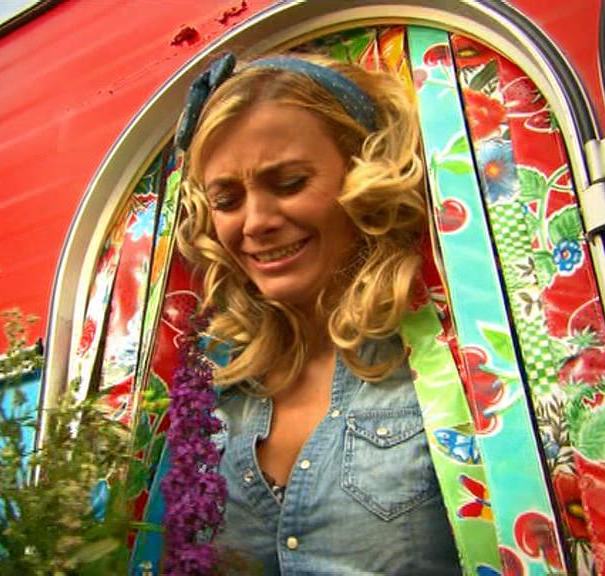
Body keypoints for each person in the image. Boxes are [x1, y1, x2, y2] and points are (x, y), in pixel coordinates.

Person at [174, 51, 461, 574]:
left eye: (289, 184)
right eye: (228, 200)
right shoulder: (213, 386)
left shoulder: (451, 360)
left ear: (363, 174)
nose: (255, 222)